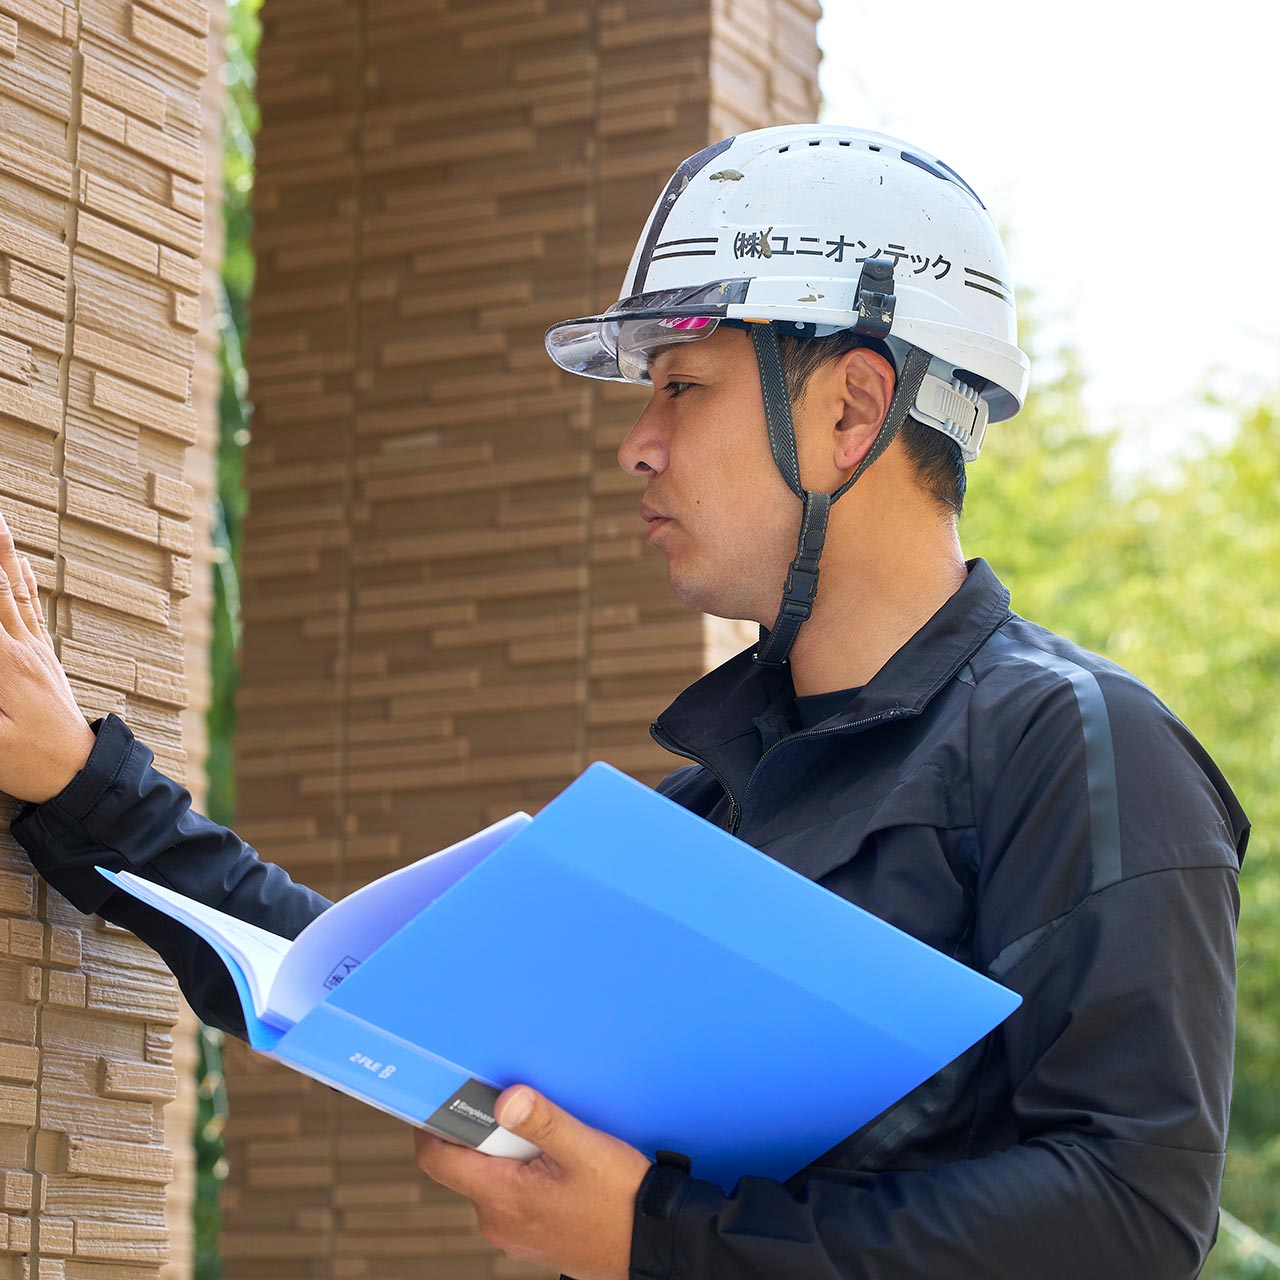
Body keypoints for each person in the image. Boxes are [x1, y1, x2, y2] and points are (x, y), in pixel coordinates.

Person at [0, 125, 1247, 1279]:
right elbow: (351, 991)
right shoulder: (717, 802)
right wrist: (79, 779)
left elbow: (1128, 1211)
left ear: (851, 411)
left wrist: (662, 1240)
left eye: (682, 386)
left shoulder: (1075, 739)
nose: (634, 444)